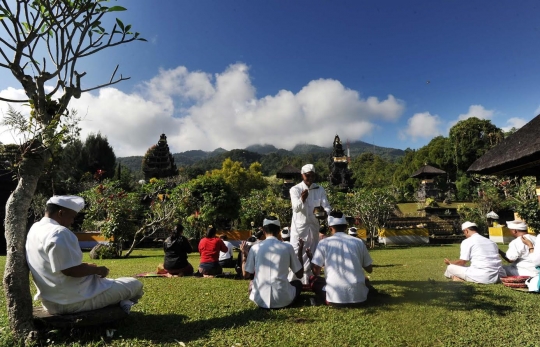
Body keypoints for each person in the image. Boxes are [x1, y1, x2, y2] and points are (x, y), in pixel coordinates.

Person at [26, 196, 144, 315]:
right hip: (74, 301)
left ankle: (122, 303)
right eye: (72, 217)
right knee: (135, 284)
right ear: (61, 213)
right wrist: (98, 269)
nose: (72, 221)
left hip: (50, 302)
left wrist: (86, 267)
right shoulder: (59, 232)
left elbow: (56, 264)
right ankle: (123, 304)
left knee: (117, 283)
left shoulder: (35, 229)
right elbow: (70, 270)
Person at [307, 211, 374, 306]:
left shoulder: (324, 243)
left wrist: (311, 259)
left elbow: (316, 272)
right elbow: (369, 269)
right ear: (346, 227)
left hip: (334, 299)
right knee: (365, 280)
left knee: (313, 279)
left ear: (330, 228)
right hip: (359, 298)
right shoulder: (358, 242)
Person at [242, 216, 305, 309]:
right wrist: (300, 252)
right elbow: (299, 274)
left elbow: (245, 274)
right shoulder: (288, 247)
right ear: (279, 231)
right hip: (283, 300)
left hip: (260, 300)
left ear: (263, 231)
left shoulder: (255, 248)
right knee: (297, 283)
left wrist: (244, 255)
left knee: (252, 282)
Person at [289, 164, 331, 283]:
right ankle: (296, 279)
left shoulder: (320, 189)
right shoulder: (295, 189)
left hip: (313, 226)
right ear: (302, 175)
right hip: (299, 227)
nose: (310, 178)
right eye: (308, 175)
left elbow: (326, 206)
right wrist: (302, 199)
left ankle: (311, 279)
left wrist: (325, 212)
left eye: (312, 175)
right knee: (297, 251)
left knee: (312, 251)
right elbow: (295, 208)